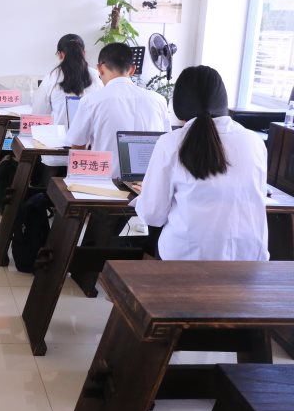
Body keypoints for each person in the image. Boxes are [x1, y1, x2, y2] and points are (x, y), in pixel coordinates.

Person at [135, 66, 268, 261]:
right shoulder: (254, 141)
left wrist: (145, 195)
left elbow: (152, 216)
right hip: (249, 258)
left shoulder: (171, 143)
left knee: (150, 243)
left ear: (179, 106)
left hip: (185, 259)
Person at [65, 42, 171, 177]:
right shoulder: (159, 100)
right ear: (132, 69)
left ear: (100, 68)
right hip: (148, 183)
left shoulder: (90, 101)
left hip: (105, 183)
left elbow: (78, 147)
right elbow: (167, 143)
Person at [32, 34, 102, 127]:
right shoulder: (96, 76)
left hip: (59, 134)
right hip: (91, 134)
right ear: (83, 53)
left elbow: (39, 114)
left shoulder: (51, 78)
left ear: (60, 55)